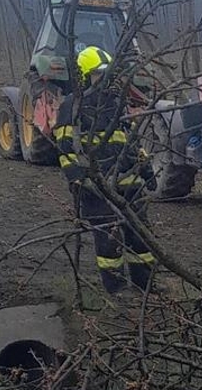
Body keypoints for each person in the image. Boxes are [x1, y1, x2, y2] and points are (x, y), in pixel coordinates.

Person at [54, 47, 155, 295]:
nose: (106, 79)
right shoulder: (72, 107)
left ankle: (146, 286)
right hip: (95, 188)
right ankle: (117, 290)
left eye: (107, 73)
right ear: (86, 76)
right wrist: (78, 181)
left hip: (129, 184)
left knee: (141, 239)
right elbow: (66, 149)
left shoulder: (117, 104)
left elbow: (132, 142)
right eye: (99, 74)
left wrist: (147, 171)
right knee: (108, 244)